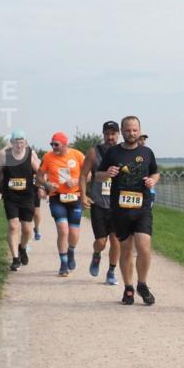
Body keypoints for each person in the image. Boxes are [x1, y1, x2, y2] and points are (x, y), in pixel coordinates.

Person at [96, 116, 159, 306]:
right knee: (125, 250)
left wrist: (153, 180)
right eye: (128, 130)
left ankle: (142, 284)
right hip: (120, 210)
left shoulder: (147, 152)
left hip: (142, 209)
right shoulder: (113, 153)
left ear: (139, 130)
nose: (131, 133)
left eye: (134, 130)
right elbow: (97, 175)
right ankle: (128, 287)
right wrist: (106, 174)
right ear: (122, 132)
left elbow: (155, 172)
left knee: (144, 248)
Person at [37, 132, 86, 277]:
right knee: (63, 230)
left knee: (74, 232)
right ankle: (63, 263)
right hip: (57, 197)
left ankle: (71, 251)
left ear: (65, 144)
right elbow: (39, 176)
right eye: (52, 144)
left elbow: (88, 175)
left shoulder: (77, 155)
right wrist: (46, 184)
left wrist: (77, 181)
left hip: (75, 197)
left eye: (56, 144)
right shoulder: (47, 157)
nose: (53, 147)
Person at [0, 131, 40, 271]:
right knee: (13, 226)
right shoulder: (4, 156)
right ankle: (15, 258)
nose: (19, 144)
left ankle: (22, 247)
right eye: (16, 141)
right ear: (11, 143)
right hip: (11, 197)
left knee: (27, 230)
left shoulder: (31, 154)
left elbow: (40, 172)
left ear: (25, 142)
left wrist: (43, 185)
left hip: (27, 196)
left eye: (21, 141)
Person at [81, 121, 121, 286]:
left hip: (118, 205)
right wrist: (83, 195)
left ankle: (111, 271)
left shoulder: (124, 152)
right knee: (101, 242)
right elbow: (83, 175)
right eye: (107, 133)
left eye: (113, 133)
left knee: (116, 239)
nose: (110, 137)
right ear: (103, 134)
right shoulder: (93, 152)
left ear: (118, 134)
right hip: (98, 203)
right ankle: (97, 255)